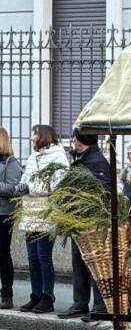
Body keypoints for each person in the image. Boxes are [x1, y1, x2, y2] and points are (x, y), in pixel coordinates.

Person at [59, 128, 113, 321]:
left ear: (80, 140)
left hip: (91, 223)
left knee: (95, 265)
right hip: (78, 222)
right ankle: (79, 303)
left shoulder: (97, 161)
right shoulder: (82, 159)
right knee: (79, 263)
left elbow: (104, 193)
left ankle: (100, 307)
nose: (72, 141)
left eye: (74, 137)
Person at [18, 125, 69, 314]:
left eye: (35, 134)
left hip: (47, 211)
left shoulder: (58, 156)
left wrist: (31, 188)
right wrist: (21, 187)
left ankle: (48, 297)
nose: (32, 138)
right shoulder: (32, 158)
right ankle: (36, 295)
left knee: (43, 256)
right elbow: (26, 178)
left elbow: (57, 185)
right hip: (30, 211)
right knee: (32, 257)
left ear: (44, 136)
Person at [0, 127, 28, 309]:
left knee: (2, 255)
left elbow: (13, 189)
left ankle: (7, 295)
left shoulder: (10, 162)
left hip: (3, 213)